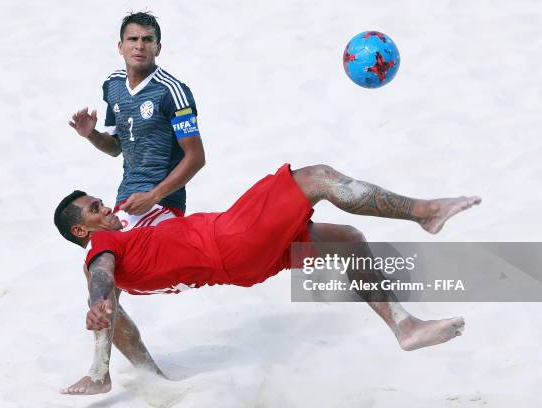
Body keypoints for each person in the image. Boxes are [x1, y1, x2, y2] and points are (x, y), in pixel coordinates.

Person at [54, 163, 481, 394]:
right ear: (82, 232)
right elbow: (102, 279)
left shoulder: (126, 245)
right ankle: (424, 212)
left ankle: (405, 326)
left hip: (244, 266)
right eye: (95, 210)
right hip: (234, 239)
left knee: (349, 240)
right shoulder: (101, 252)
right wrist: (97, 300)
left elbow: (117, 320)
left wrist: (104, 369)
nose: (105, 207)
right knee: (317, 178)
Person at [67, 11, 206, 382]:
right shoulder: (113, 86)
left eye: (147, 40)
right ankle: (128, 372)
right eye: (133, 39)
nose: (140, 46)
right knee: (98, 274)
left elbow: (197, 157)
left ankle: (101, 373)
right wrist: (91, 135)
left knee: (101, 268)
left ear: (158, 47)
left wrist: (155, 195)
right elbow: (116, 148)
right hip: (128, 200)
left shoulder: (173, 92)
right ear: (120, 46)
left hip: (162, 205)